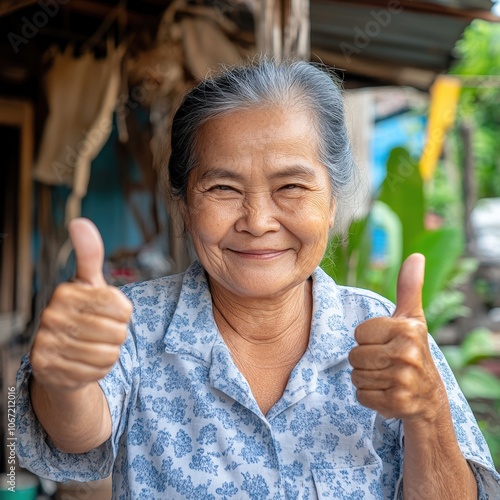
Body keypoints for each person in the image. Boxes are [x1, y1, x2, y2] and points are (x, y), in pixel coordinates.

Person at [16, 60, 500, 499]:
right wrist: (64, 381)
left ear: (332, 202)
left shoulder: (386, 332)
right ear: (185, 205)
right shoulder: (132, 325)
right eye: (223, 187)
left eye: (291, 186)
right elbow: (76, 432)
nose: (258, 220)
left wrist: (427, 412)